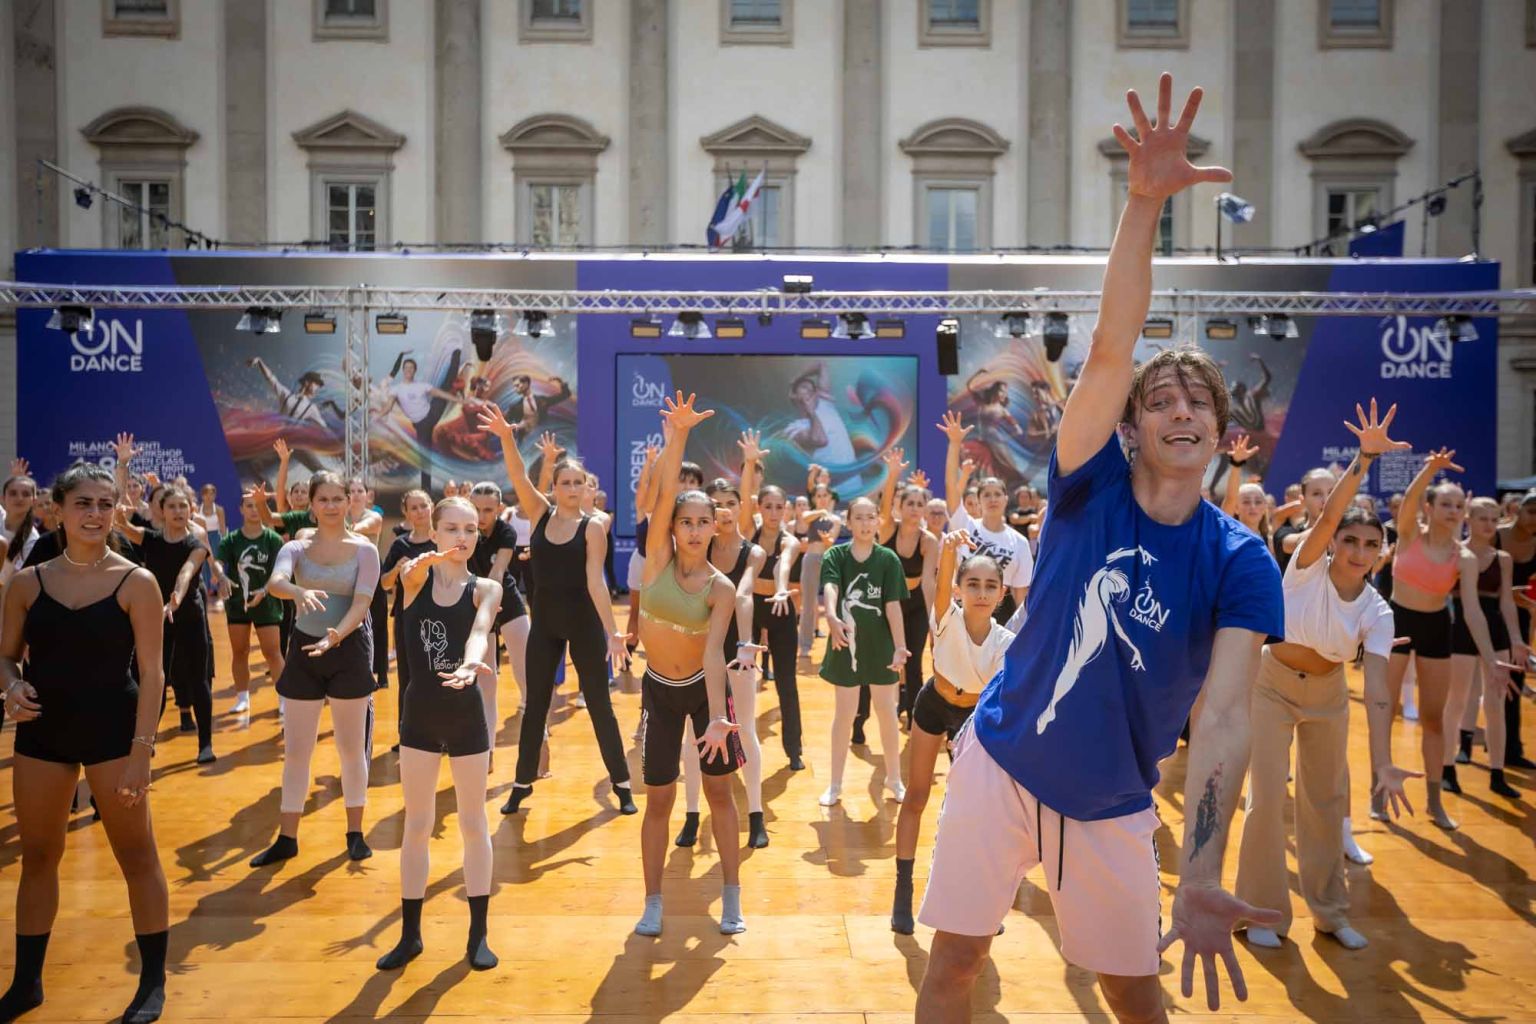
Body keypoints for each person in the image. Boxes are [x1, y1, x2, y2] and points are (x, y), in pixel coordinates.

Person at [915, 75, 1285, 1023]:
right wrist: (1144, 204)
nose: (1180, 411)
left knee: (1132, 996)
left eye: (1198, 402)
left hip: (1115, 801)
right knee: (952, 967)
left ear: (1220, 433)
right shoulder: (1089, 485)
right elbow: (1115, 345)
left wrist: (1200, 871)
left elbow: (1226, 718)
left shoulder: (1240, 561)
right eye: (1161, 401)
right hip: (1001, 761)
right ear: (1130, 427)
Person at [1234, 400, 1419, 953]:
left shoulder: (1377, 611)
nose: (1359, 551)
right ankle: (1262, 910)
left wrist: (1383, 762)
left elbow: (1379, 691)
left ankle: (1330, 914)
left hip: (1329, 695)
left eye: (1371, 545)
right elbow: (1331, 514)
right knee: (1267, 799)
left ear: (1381, 553)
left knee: (1325, 802)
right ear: (1334, 541)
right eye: (1351, 540)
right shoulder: (1307, 564)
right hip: (1271, 684)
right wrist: (1364, 460)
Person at [0, 462, 171, 1024]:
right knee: (38, 856)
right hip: (43, 732)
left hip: (115, 734)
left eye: (105, 503)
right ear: (58, 510)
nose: (95, 514)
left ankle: (151, 984)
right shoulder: (27, 583)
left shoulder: (136, 581)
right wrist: (11, 687)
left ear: (116, 510)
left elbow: (153, 673)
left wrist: (142, 752)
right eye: (83, 503)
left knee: (136, 855)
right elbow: (5, 657)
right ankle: (26, 984)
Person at [479, 404, 636, 816]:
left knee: (599, 705)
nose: (571, 487)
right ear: (554, 487)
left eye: (578, 482)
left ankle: (622, 784)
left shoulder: (593, 527)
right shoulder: (540, 513)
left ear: (586, 488)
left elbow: (595, 583)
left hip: (583, 624)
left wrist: (613, 633)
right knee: (535, 706)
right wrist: (507, 437)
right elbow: (517, 476)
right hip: (545, 625)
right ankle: (522, 783)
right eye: (565, 482)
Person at [631, 392, 746, 938]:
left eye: (704, 522)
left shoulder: (721, 588)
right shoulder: (656, 559)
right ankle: (652, 901)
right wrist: (678, 435)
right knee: (659, 800)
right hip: (658, 690)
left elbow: (714, 652)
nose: (695, 530)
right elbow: (662, 494)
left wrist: (720, 716)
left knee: (720, 794)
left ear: (715, 527)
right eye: (686, 522)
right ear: (672, 528)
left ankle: (732, 895)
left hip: (704, 693)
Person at [375, 497, 502, 972]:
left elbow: (480, 630)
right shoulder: (416, 579)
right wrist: (417, 565)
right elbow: (403, 578)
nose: (461, 537)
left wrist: (470, 662)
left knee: (473, 822)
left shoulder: (486, 587)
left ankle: (478, 934)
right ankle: (410, 935)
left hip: (466, 715)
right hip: (420, 717)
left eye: (470, 529)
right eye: (451, 528)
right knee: (417, 824)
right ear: (434, 531)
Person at [249, 472, 380, 866]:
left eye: (338, 498)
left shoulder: (365, 550)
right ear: (312, 505)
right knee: (296, 751)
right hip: (305, 650)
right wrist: (297, 590)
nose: (331, 505)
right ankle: (287, 838)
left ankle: (355, 834)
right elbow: (276, 582)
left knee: (351, 749)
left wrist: (336, 636)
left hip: (348, 649)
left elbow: (362, 603)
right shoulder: (296, 546)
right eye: (323, 499)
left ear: (349, 501)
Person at [891, 529, 1013, 935]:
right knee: (916, 796)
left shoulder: (1006, 642)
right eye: (972, 584)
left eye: (990, 586)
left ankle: (978, 900)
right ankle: (903, 890)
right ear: (959, 590)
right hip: (933, 703)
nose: (981, 592)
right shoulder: (946, 618)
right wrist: (947, 550)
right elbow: (940, 585)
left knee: (975, 811)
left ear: (1002, 594)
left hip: (973, 717)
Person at [1380, 448, 1472, 830]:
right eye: (1445, 504)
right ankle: (1378, 793)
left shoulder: (1462, 556)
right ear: (1429, 508)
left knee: (1434, 719)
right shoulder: (1408, 534)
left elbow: (1473, 611)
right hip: (1398, 621)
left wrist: (1489, 654)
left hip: (1437, 627)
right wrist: (1430, 469)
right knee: (1384, 712)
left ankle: (1435, 801)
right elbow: (1410, 499)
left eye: (1458, 506)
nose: (1453, 511)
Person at [676, 476, 769, 849]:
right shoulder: (695, 550)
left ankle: (756, 815)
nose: (725, 510)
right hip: (696, 649)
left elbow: (743, 594)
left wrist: (745, 644)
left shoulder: (753, 553)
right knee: (692, 734)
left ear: (741, 507)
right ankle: (691, 814)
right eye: (717, 505)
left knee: (744, 728)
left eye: (731, 503)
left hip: (737, 651)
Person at [113, 483, 219, 764]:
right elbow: (122, 526)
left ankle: (205, 745)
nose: (178, 511)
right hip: (159, 618)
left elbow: (186, 573)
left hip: (189, 617)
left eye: (183, 506)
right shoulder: (151, 539)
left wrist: (175, 598)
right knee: (154, 680)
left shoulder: (196, 545)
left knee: (199, 680)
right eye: (172, 506)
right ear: (161, 510)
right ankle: (146, 740)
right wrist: (120, 511)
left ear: (191, 510)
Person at [817, 496, 910, 807]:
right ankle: (835, 784)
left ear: (878, 521)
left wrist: (900, 646)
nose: (866, 523)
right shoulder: (835, 555)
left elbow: (893, 606)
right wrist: (832, 617)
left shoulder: (888, 560)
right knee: (844, 714)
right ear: (848, 522)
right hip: (846, 642)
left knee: (887, 713)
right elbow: (831, 587)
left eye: (871, 517)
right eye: (859, 517)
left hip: (881, 646)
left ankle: (894, 779)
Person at [1445, 497, 1527, 798]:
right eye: (1483, 518)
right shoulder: (1455, 552)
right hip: (1460, 628)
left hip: (1494, 628)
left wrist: (1516, 638)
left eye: (1494, 519)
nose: (1489, 525)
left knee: (1496, 703)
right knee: (1457, 699)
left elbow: (1507, 602)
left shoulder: (1503, 558)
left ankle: (1497, 773)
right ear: (1469, 519)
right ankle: (1448, 768)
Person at [941, 412, 1034, 628]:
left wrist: (1022, 632)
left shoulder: (1019, 542)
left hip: (1001, 616)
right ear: (978, 500)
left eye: (997, 494)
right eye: (986, 495)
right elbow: (951, 487)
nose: (992, 499)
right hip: (963, 609)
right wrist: (954, 444)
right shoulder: (965, 525)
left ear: (1006, 499)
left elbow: (1021, 595)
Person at [741, 479, 804, 770]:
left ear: (786, 509)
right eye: (768, 507)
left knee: (786, 682)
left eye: (780, 507)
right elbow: (743, 498)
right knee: (741, 678)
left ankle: (794, 750)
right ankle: (736, 744)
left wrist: (781, 589)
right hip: (750, 609)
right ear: (759, 507)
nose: (774, 513)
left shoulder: (789, 541)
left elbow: (784, 565)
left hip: (781, 609)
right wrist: (749, 465)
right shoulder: (747, 533)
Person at [876, 448, 938, 726]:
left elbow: (928, 581)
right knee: (886, 659)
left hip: (914, 605)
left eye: (919, 503)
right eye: (909, 503)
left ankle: (915, 717)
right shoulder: (888, 529)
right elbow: (884, 506)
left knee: (913, 663)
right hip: (889, 602)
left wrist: (934, 620)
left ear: (925, 509)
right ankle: (873, 714)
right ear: (900, 506)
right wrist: (892, 475)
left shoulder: (929, 541)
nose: (914, 507)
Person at [216, 488, 286, 715]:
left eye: (257, 505)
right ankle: (242, 698)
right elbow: (217, 561)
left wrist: (265, 591)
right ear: (241, 510)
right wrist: (221, 576)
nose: (254, 510)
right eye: (249, 506)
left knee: (272, 652)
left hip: (266, 602)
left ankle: (284, 700)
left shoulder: (273, 539)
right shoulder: (232, 540)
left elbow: (281, 572)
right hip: (238, 603)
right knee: (240, 651)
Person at [380, 490, 437, 748]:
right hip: (407, 620)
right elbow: (384, 583)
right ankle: (407, 735)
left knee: (438, 676)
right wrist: (396, 569)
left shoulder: (442, 542)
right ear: (406, 513)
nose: (420, 511)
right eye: (413, 508)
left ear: (432, 506)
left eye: (423, 505)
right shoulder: (400, 545)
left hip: (440, 619)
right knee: (408, 677)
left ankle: (439, 734)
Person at [1496, 491, 1536, 769]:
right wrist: (1507, 594)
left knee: (1515, 680)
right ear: (1517, 511)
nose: (1535, 519)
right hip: (1486, 611)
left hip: (1518, 616)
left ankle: (1511, 748)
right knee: (1480, 684)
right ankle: (1466, 743)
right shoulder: (1495, 535)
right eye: (1531, 512)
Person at [345, 478, 389, 693]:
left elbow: (360, 528)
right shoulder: (342, 516)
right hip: (348, 573)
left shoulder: (374, 516)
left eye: (359, 490)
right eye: (351, 491)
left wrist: (343, 529)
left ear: (367, 495)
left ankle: (382, 673)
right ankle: (357, 669)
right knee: (352, 622)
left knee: (377, 622)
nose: (355, 494)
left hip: (372, 571)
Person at [787, 363, 856, 467]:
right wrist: (811, 412)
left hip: (855, 476)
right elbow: (820, 440)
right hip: (833, 478)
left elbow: (821, 365)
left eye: (812, 389)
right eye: (804, 387)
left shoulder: (825, 404)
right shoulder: (793, 429)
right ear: (794, 396)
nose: (810, 390)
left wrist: (796, 378)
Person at [505, 372, 572, 442]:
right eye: (514, 386)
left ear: (526, 384)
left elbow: (565, 395)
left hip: (542, 438)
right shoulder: (515, 407)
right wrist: (517, 429)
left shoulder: (542, 400)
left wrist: (560, 381)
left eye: (517, 385)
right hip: (525, 442)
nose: (515, 389)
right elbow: (506, 422)